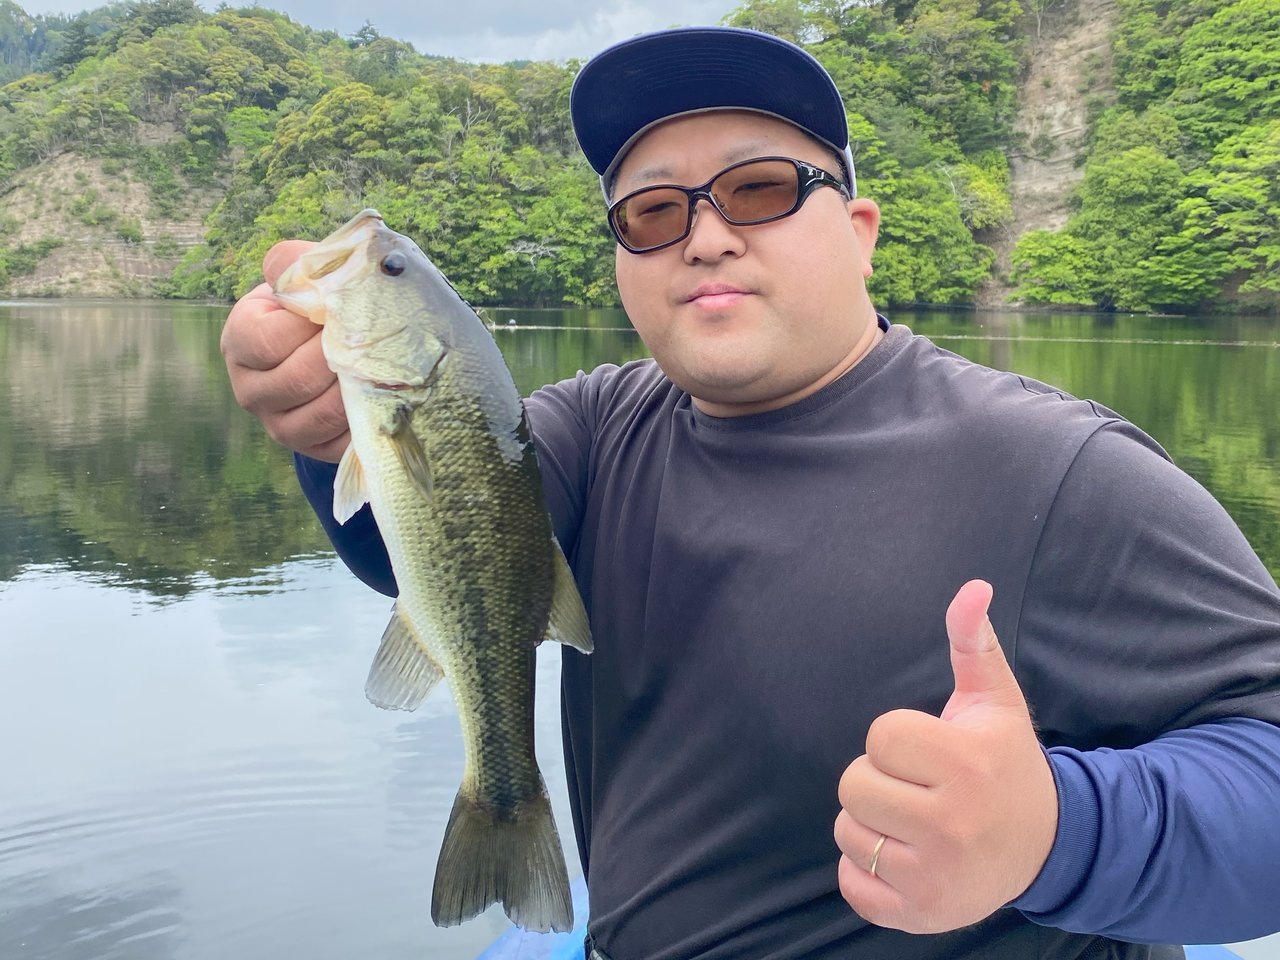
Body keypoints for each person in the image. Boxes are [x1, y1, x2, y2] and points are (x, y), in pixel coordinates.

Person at [221, 25, 1280, 960]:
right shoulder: (594, 429)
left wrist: (1056, 832)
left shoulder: (1058, 471)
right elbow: (434, 552)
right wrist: (328, 429)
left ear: (859, 231)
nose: (705, 235)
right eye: (651, 212)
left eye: (761, 190)